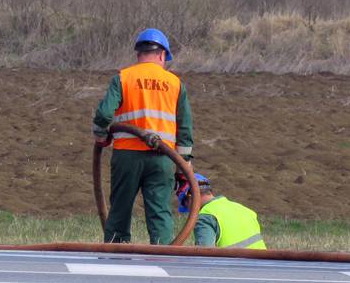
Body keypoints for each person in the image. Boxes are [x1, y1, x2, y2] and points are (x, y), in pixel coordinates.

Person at [92, 28, 194, 244]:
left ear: (139, 54)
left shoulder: (123, 78)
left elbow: (103, 114)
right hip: (163, 159)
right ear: (162, 55)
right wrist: (184, 164)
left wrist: (101, 136)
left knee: (119, 210)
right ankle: (164, 256)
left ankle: (115, 255)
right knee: (160, 214)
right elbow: (185, 128)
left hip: (127, 156)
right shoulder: (175, 84)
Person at [176, 173, 266, 249]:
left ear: (190, 198)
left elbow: (204, 257)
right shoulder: (244, 210)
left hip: (235, 268)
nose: (189, 211)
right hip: (266, 267)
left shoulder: (205, 217)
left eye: (186, 205)